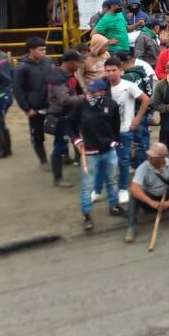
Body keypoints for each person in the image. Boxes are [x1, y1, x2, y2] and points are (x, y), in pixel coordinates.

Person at [70, 77, 122, 231]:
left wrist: (115, 141)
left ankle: (114, 207)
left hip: (109, 150)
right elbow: (69, 123)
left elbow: (116, 125)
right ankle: (86, 215)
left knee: (112, 180)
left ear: (103, 92)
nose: (91, 94)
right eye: (89, 91)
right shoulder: (80, 104)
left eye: (95, 92)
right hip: (89, 153)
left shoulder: (111, 104)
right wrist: (76, 140)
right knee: (87, 186)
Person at [125, 142, 169, 243]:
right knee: (135, 194)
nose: (149, 157)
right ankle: (131, 227)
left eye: (152, 156)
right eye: (149, 155)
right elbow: (134, 188)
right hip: (150, 200)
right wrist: (151, 202)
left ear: (162, 157)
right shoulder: (143, 167)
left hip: (166, 198)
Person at [104, 56, 150, 203]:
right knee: (108, 161)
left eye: (114, 70)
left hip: (124, 130)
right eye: (108, 71)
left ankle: (123, 188)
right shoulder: (102, 87)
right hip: (106, 132)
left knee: (123, 161)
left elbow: (145, 99)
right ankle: (105, 189)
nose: (111, 73)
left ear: (121, 70)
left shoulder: (128, 85)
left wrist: (137, 119)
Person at [13, 36, 55, 169]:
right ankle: (43, 161)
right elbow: (18, 90)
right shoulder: (22, 68)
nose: (44, 52)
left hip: (51, 105)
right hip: (35, 108)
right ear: (31, 50)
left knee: (59, 131)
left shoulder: (48, 62)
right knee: (37, 135)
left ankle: (63, 156)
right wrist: (27, 108)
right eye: (41, 50)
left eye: (45, 50)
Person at [45, 50, 83, 187]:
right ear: (71, 62)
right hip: (61, 116)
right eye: (78, 62)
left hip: (70, 115)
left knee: (76, 141)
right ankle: (58, 178)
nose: (80, 65)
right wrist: (85, 97)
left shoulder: (68, 75)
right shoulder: (57, 78)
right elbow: (64, 100)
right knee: (60, 146)